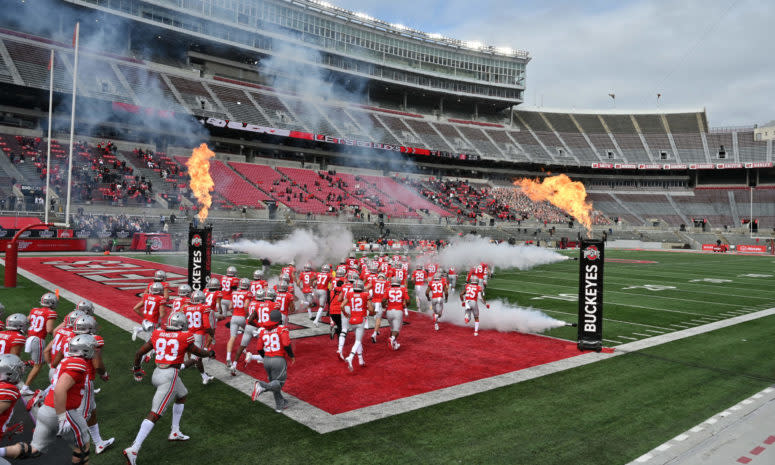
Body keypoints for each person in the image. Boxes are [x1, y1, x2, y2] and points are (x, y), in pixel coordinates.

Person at [123, 312, 216, 465]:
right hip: (169, 376)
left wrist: (137, 368)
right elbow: (199, 352)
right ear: (182, 325)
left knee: (182, 394)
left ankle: (175, 431)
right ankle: (134, 448)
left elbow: (139, 353)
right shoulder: (184, 337)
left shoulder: (158, 333)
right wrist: (209, 352)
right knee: (155, 413)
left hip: (157, 372)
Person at [26, 334, 98, 463]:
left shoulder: (67, 359)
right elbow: (60, 389)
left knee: (34, 450)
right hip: (62, 409)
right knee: (82, 447)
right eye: (92, 347)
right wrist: (62, 417)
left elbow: (56, 382)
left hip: (47, 407)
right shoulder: (78, 363)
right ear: (85, 350)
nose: (95, 350)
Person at [250, 310, 295, 413]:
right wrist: (291, 356)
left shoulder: (262, 331)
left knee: (274, 382)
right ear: (279, 319)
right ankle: (262, 386)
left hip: (267, 359)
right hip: (278, 359)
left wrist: (265, 357)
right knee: (278, 383)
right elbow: (286, 344)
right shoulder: (282, 329)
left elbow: (259, 348)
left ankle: (280, 405)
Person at [22, 293, 58, 395]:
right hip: (38, 339)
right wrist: (59, 333)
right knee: (38, 365)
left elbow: (25, 321)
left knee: (40, 361)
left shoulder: (34, 310)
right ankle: (25, 387)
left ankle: (25, 365)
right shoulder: (51, 313)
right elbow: (49, 329)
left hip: (30, 338)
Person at [182, 291, 215, 385]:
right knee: (196, 357)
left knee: (198, 357)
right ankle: (180, 367)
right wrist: (212, 335)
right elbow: (207, 325)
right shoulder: (204, 307)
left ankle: (204, 376)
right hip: (198, 335)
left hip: (187, 333)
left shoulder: (186, 308)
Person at [341, 280, 372, 371]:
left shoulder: (350, 294)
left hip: (352, 319)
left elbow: (342, 305)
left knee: (357, 340)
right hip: (360, 319)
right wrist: (373, 311)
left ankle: (361, 360)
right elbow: (370, 308)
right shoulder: (366, 295)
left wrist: (346, 314)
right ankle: (350, 357)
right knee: (358, 340)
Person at [226, 279, 252, 368]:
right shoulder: (248, 293)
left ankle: (228, 357)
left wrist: (235, 311)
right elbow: (245, 306)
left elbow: (230, 307)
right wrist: (247, 315)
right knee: (249, 333)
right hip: (242, 317)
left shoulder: (234, 293)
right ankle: (245, 350)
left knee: (232, 338)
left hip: (234, 317)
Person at [384, 276, 409, 350]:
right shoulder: (403, 289)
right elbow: (407, 301)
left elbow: (383, 300)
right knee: (396, 330)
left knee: (392, 329)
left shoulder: (388, 289)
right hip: (398, 311)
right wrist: (406, 306)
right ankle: (392, 338)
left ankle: (394, 344)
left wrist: (383, 306)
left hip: (389, 311)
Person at [369, 273, 388, 343]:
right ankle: (374, 334)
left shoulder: (374, 281)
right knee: (378, 319)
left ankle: (377, 330)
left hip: (373, 301)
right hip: (380, 302)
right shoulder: (386, 282)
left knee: (375, 315)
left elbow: (367, 287)